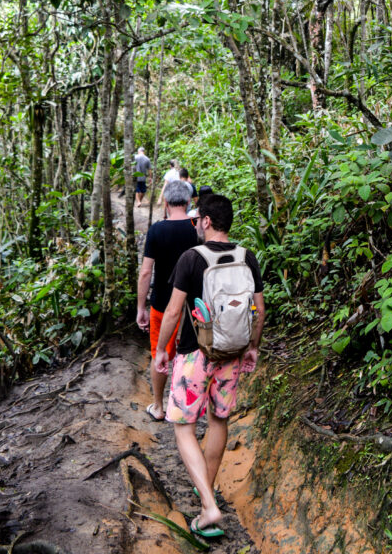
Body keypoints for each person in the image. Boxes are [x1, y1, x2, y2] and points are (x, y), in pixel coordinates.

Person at [155, 193, 264, 540]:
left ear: (205, 221)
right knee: (218, 419)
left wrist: (161, 350)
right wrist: (253, 347)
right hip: (231, 354)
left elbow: (173, 312)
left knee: (183, 425)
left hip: (194, 354)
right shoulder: (248, 257)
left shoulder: (192, 258)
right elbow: (259, 310)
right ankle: (208, 499)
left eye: (197, 219)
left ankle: (208, 504)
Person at [136, 178, 196, 421]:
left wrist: (141, 306)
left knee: (159, 354)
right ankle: (187, 403)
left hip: (162, 303)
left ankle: (159, 407)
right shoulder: (198, 228)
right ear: (189, 201)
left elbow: (146, 272)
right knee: (189, 352)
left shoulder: (157, 230)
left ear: (167, 202)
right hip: (192, 306)